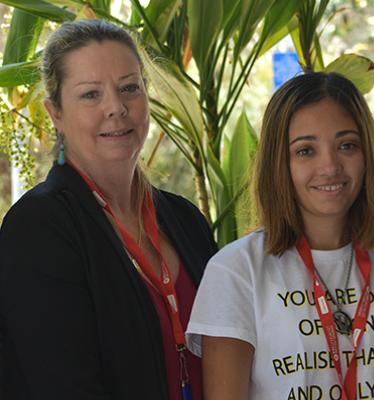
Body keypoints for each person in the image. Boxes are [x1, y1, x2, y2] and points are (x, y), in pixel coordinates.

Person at [186, 72, 374, 400]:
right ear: (280, 162)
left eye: (347, 145)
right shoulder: (237, 270)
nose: (330, 166)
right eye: (306, 150)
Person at [0, 19, 217, 400]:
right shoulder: (38, 229)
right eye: (90, 95)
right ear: (56, 114)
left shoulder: (186, 220)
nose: (116, 107)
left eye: (129, 88)